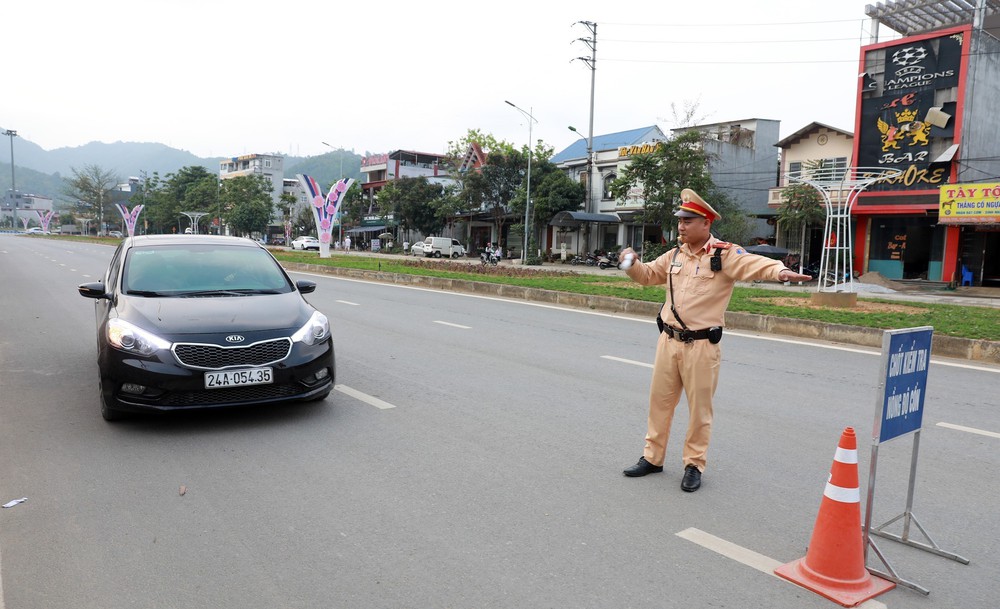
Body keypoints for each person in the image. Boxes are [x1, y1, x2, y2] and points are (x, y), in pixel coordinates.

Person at [620, 188, 811, 492]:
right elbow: (647, 275)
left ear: (706, 223)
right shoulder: (674, 255)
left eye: (688, 221)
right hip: (668, 342)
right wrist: (630, 263)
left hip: (702, 346)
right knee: (659, 404)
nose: (681, 226)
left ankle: (694, 464)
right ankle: (652, 458)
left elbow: (754, 264)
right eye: (680, 220)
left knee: (699, 410)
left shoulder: (723, 255)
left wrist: (781, 272)